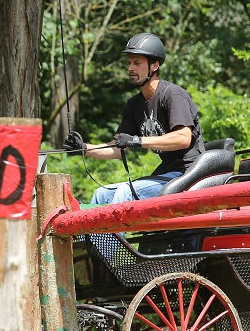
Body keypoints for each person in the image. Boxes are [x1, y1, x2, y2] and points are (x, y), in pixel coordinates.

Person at [64, 32, 204, 204]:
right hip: (165, 174)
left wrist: (137, 140)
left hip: (189, 174)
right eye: (129, 63)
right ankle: (94, 232)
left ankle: (110, 233)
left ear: (154, 66)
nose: (131, 68)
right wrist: (84, 148)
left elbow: (183, 138)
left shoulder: (173, 95)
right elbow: (116, 149)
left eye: (137, 63)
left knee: (125, 192)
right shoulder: (133, 105)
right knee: (101, 194)